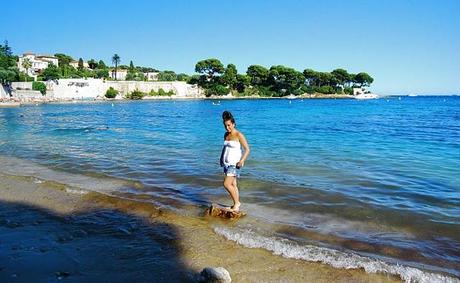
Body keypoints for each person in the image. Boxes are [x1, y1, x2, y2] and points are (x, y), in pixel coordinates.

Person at [220, 111, 250, 212]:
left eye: (229, 125)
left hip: (235, 164)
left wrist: (242, 161)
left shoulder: (238, 135)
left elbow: (247, 149)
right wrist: (221, 159)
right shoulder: (226, 135)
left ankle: (237, 203)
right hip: (226, 164)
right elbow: (224, 148)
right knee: (233, 185)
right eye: (225, 126)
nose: (227, 127)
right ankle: (235, 205)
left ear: (233, 124)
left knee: (226, 184)